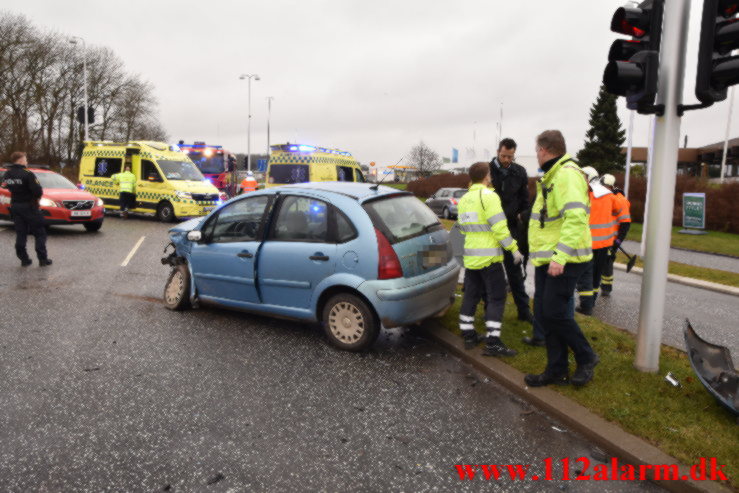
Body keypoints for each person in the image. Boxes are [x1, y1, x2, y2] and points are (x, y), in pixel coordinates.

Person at [524, 131, 598, 387]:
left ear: (544, 149)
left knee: (554, 312)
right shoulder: (554, 175)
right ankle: (556, 368)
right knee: (545, 313)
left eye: (536, 149)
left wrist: (560, 257)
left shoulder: (566, 174)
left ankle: (586, 357)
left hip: (566, 258)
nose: (536, 154)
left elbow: (576, 219)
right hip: (550, 258)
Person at [457, 162, 523, 357]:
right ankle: (493, 342)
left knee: (471, 295)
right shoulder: (489, 196)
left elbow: (462, 227)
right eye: (490, 175)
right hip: (489, 259)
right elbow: (499, 228)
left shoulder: (464, 198)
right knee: (497, 297)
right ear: (486, 176)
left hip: (471, 257)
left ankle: (468, 334)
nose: (492, 177)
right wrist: (513, 249)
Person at [488, 138, 534, 326]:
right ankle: (489, 312)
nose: (507, 159)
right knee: (490, 273)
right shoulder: (487, 171)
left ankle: (523, 311)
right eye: (504, 155)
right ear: (498, 152)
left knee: (515, 272)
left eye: (510, 156)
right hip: (490, 230)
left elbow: (525, 199)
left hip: (512, 230)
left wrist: (522, 215)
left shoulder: (519, 172)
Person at [575, 167, 621, 315]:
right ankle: (590, 302)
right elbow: (619, 212)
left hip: (588, 242)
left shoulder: (585, 194)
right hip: (604, 243)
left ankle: (586, 305)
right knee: (595, 275)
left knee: (585, 274)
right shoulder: (608, 194)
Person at [3, 151, 51, 266]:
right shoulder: (27, 173)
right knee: (40, 233)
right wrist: (35, 198)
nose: (27, 161)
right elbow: (37, 191)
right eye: (25, 159)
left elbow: (7, 187)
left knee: (21, 233)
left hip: (15, 206)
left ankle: (24, 258)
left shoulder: (8, 174)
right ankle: (42, 259)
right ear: (20, 160)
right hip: (29, 206)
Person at [600, 173, 632, 296]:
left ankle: (606, 287)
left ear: (610, 186)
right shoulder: (607, 197)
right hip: (603, 237)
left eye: (604, 186)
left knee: (607, 262)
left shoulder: (620, 201)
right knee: (599, 262)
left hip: (611, 239)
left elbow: (625, 224)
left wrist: (618, 241)